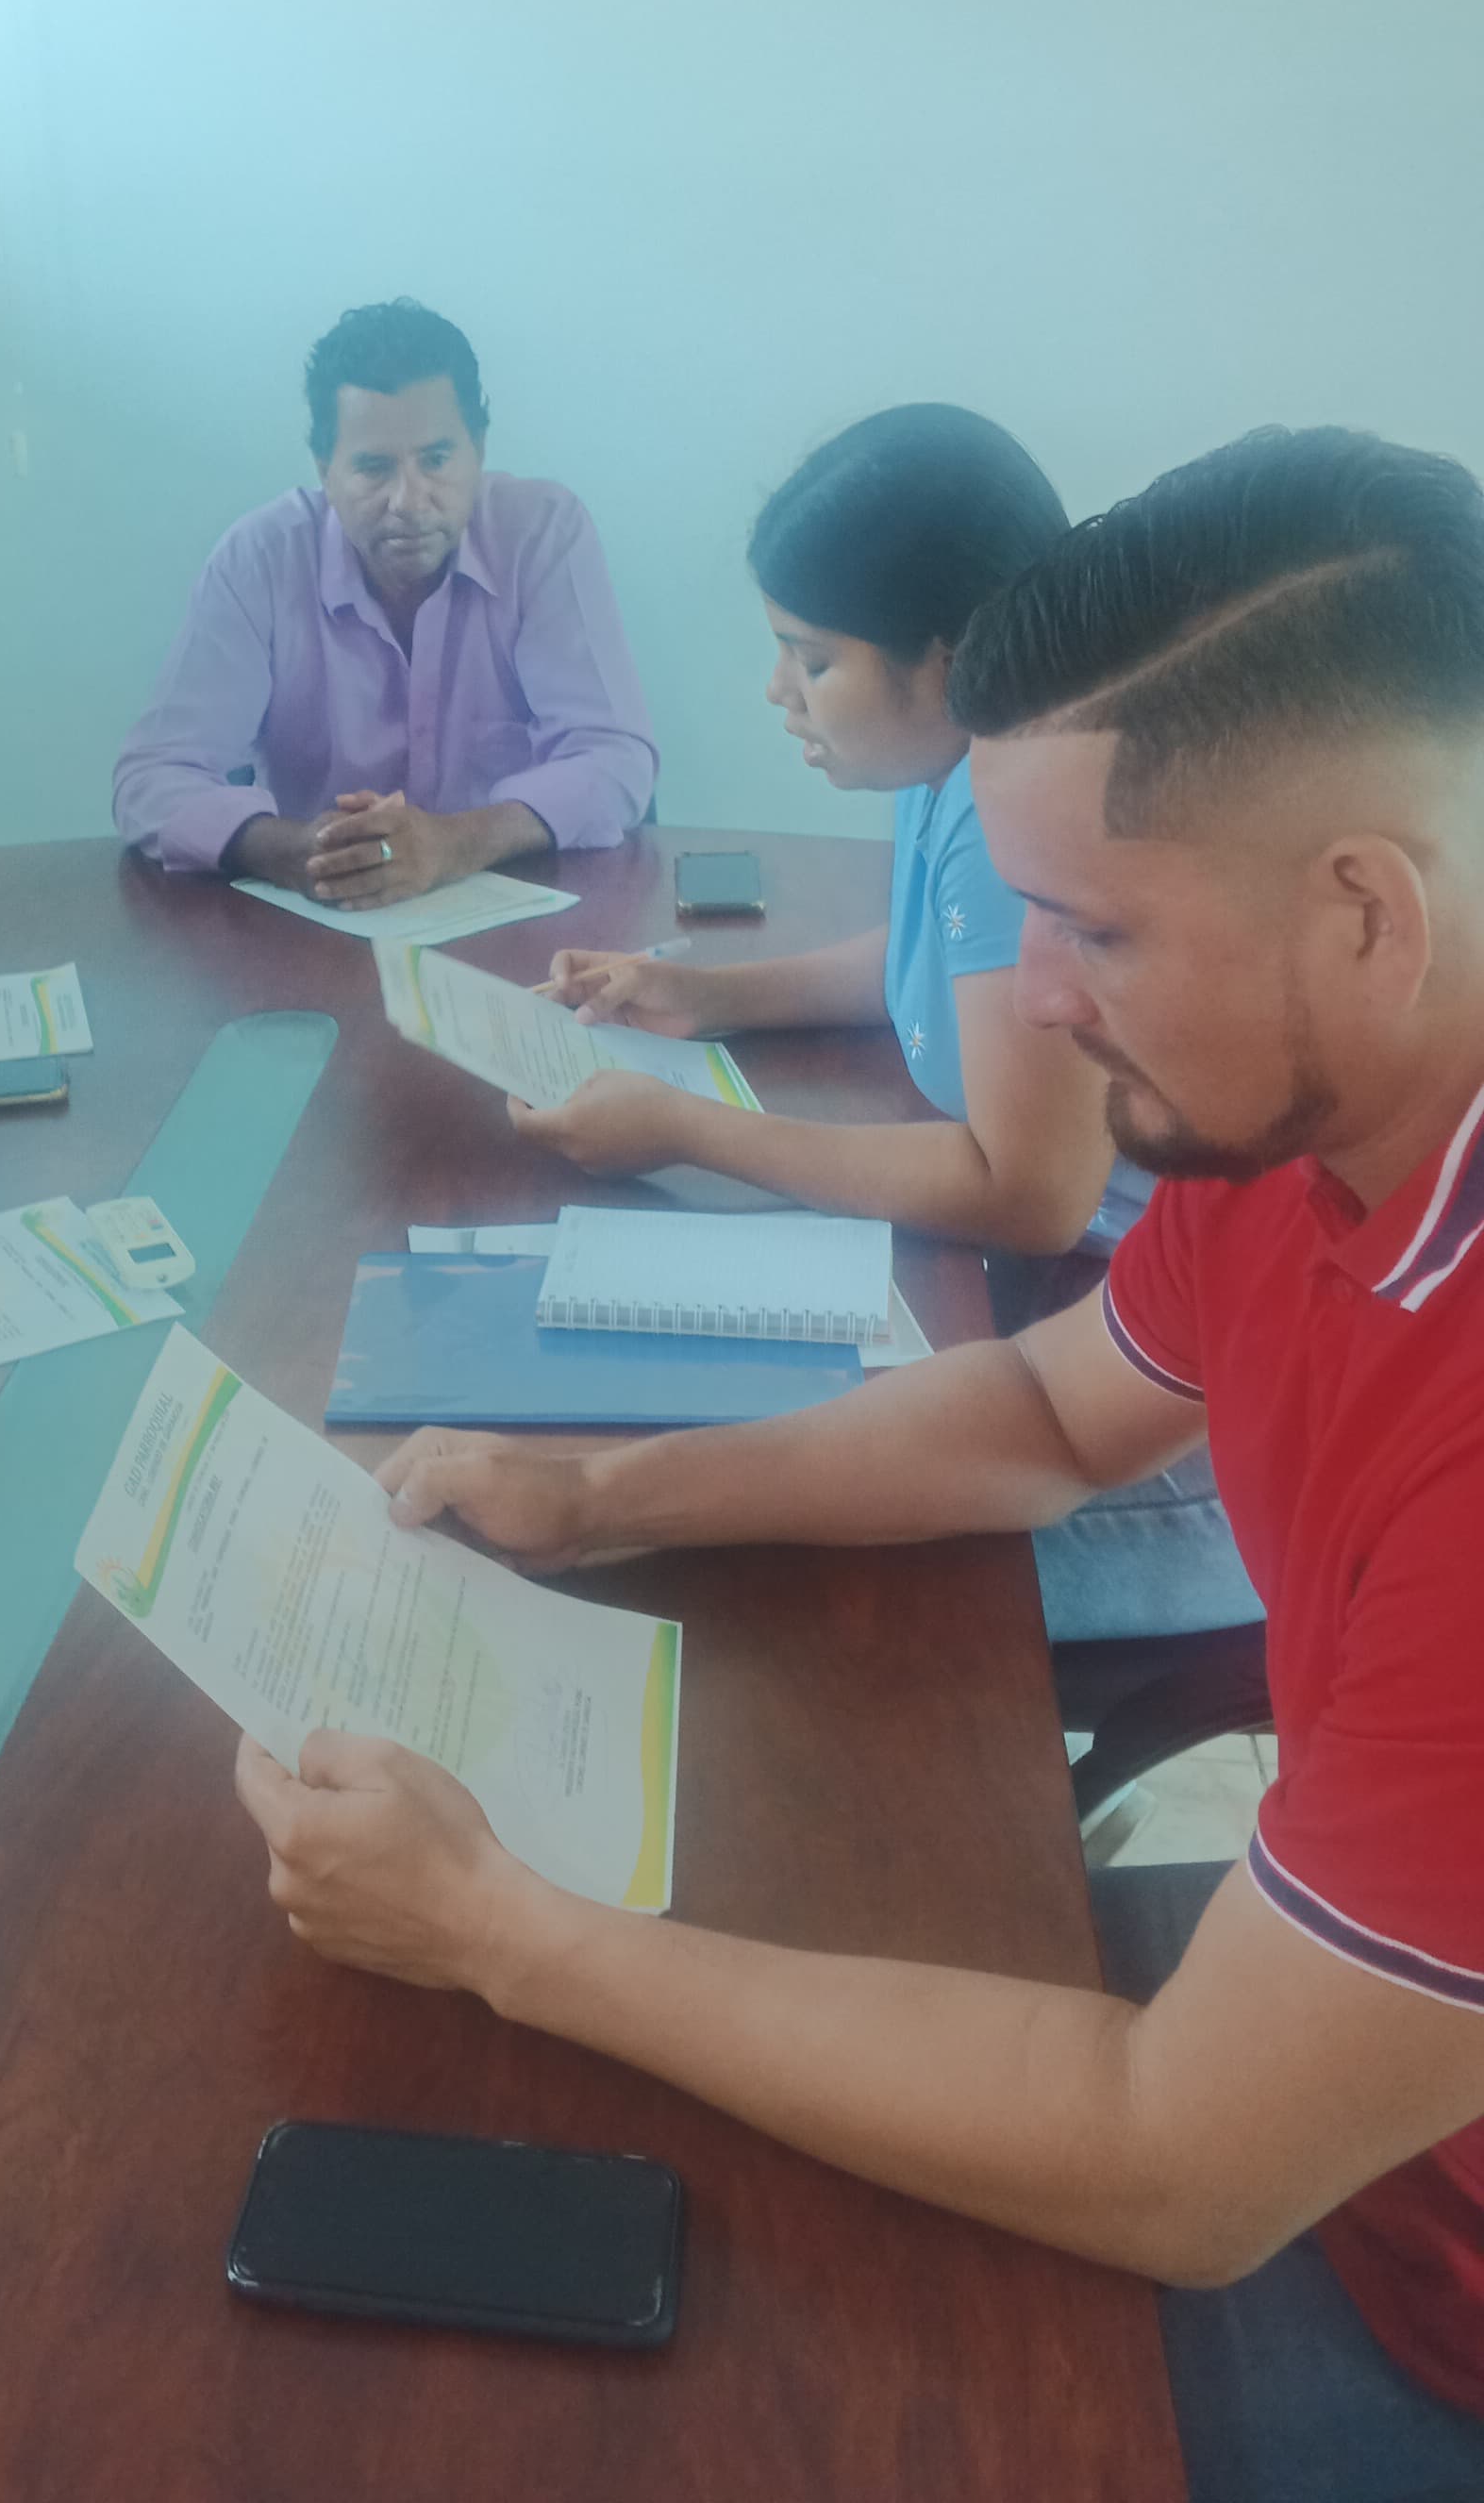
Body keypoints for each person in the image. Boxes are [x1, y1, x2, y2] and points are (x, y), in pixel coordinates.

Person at [238, 429, 1484, 2503]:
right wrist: (607, 1496)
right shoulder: (1301, 1125)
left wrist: (498, 1930)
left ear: (1366, 910)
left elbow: (1179, 2161)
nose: (1038, 1000)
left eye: (1092, 929)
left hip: (1411, 2300)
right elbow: (1052, 1410)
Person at [517, 403, 1257, 1639]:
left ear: (948, 660)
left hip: (1195, 1425)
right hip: (1100, 1330)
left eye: (812, 659)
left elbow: (1028, 1193)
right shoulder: (962, 768)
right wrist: (717, 997)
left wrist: (689, 1130)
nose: (779, 692)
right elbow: (947, 964)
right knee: (709, 1482)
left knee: (782, 1590)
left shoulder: (1014, 806)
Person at [112, 299, 657, 909]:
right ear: (325, 469)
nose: (409, 501)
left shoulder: (543, 536)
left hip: (519, 918)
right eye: (374, 468)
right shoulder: (259, 561)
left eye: (437, 460)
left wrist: (454, 843)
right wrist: (295, 851)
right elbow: (151, 778)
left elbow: (615, 758)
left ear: (479, 450)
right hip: (319, 922)